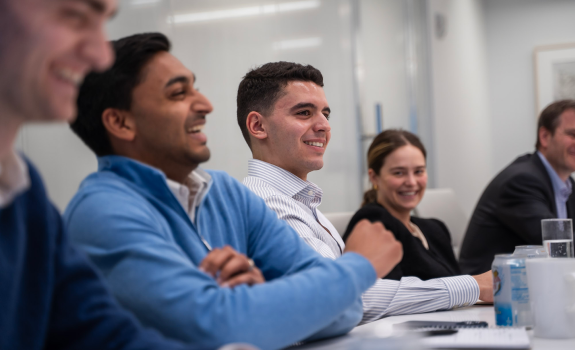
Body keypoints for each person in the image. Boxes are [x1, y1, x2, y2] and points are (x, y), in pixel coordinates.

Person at [64, 32, 401, 350]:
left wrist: (259, 302)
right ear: (121, 123)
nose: (205, 105)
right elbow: (219, 325)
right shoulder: (101, 213)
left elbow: (345, 310)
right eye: (178, 94)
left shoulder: (224, 193)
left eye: (194, 88)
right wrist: (358, 265)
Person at [0, 0, 206, 349]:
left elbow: (103, 336)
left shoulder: (22, 189)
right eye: (73, 15)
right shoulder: (100, 207)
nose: (100, 55)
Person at [239, 61, 493, 325]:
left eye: (326, 114)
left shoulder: (301, 202)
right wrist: (473, 286)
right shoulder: (266, 205)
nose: (324, 125)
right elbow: (346, 296)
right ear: (258, 126)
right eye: (304, 113)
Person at [460, 99, 575, 275]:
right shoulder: (521, 181)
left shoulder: (566, 182)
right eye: (574, 135)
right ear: (544, 137)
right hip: (491, 294)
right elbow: (555, 244)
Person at [343, 129, 462, 281]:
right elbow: (389, 296)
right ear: (374, 177)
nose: (412, 182)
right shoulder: (374, 224)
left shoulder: (435, 229)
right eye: (399, 173)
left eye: (419, 171)